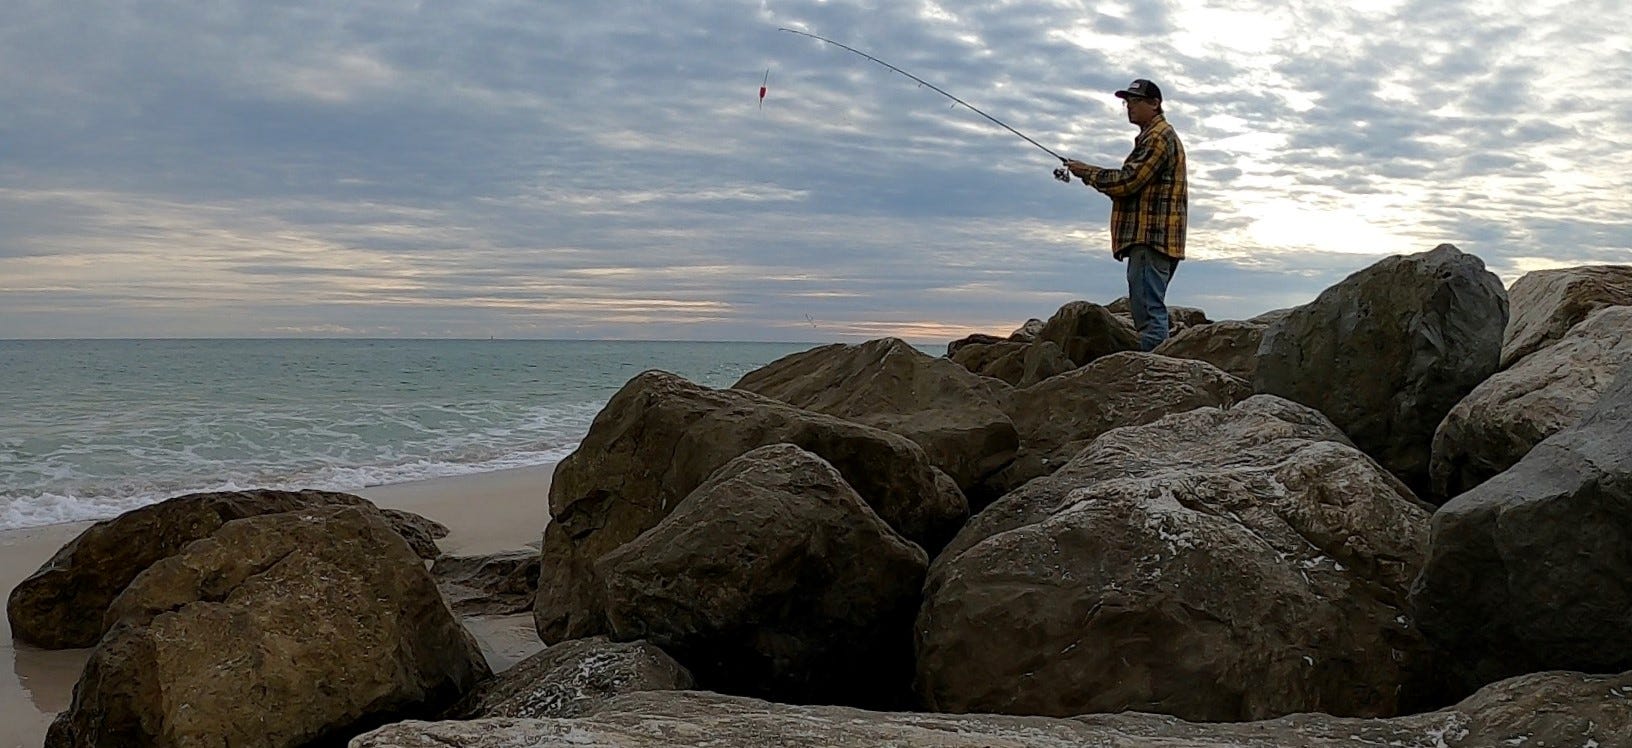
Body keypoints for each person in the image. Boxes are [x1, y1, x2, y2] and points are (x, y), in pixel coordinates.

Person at [1063, 78, 1188, 351]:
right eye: (1127, 102)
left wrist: (1087, 172)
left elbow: (1127, 182)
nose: (1129, 107)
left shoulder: (1158, 138)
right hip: (1159, 240)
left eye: (1136, 101)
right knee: (1153, 312)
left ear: (1155, 104)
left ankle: (1150, 377)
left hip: (1149, 239)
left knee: (1150, 318)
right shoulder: (1158, 137)